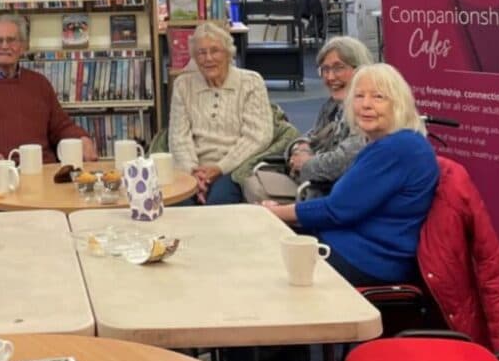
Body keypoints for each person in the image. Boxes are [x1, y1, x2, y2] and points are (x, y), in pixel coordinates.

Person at [264, 63, 439, 285]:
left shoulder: (396, 149)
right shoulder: (394, 143)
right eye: (358, 96)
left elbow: (336, 210)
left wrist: (272, 213)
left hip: (368, 260)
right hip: (356, 246)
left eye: (378, 97)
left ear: (399, 104)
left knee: (263, 260)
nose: (366, 105)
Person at [0, 14, 98, 163]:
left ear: (22, 46)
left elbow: (61, 126)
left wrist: (82, 138)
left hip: (40, 171)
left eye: (11, 40)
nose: (5, 46)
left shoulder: (40, 84)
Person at [242, 36, 373, 203]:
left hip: (334, 195)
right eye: (325, 69)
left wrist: (306, 164)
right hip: (311, 185)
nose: (330, 77)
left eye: (338, 68)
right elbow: (307, 137)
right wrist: (301, 149)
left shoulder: (366, 112)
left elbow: (343, 163)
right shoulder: (333, 106)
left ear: (360, 69)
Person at [169, 22, 273, 205]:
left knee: (219, 201)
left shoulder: (251, 82)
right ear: (194, 57)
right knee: (180, 204)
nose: (208, 58)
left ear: (228, 53)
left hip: (234, 167)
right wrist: (194, 173)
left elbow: (258, 136)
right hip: (192, 168)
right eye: (201, 53)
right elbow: (178, 137)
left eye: (215, 51)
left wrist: (220, 168)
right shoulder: (183, 85)